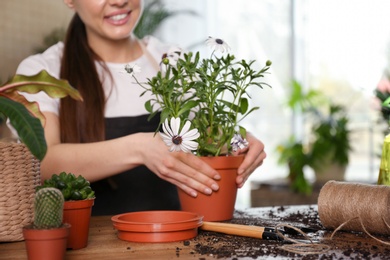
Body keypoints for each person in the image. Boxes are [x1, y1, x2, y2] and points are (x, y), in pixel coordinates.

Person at [14, 0, 266, 215]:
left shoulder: (170, 60)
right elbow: (42, 163)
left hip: (180, 242)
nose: (118, 1)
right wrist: (141, 148)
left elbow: (206, 137)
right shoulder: (41, 73)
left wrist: (239, 139)